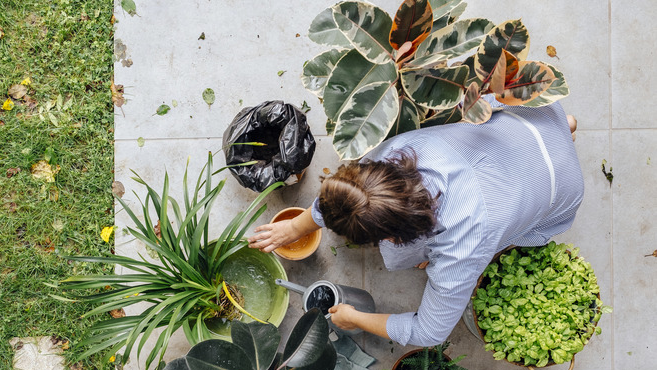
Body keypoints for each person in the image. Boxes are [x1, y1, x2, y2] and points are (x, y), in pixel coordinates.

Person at [247, 98, 582, 347]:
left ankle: (562, 139)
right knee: (553, 128)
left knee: (513, 227)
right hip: (533, 118)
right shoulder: (398, 152)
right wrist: (296, 226)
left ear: (394, 239)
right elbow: (354, 196)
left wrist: (355, 317)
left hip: (560, 189)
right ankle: (562, 128)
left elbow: (429, 332)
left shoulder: (462, 249)